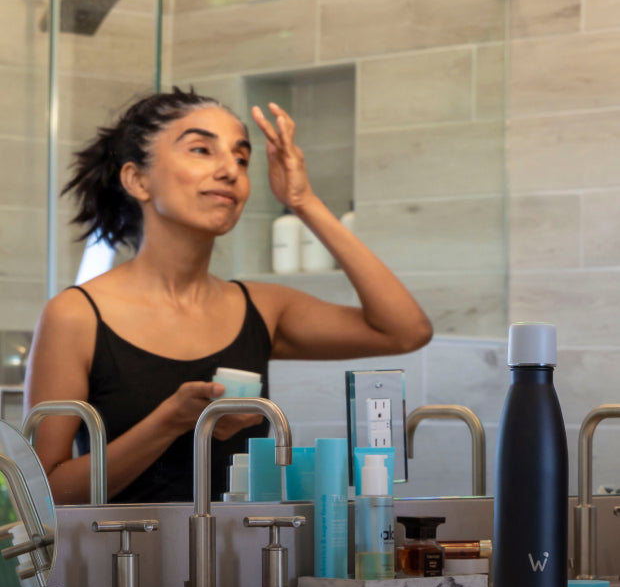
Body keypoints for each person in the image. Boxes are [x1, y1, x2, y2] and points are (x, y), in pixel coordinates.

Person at [24, 88, 432, 504]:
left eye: (241, 158)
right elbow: (42, 496)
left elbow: (405, 331)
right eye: (202, 149)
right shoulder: (75, 316)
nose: (230, 170)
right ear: (137, 179)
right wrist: (169, 422)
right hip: (119, 564)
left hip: (244, 562)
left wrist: (302, 201)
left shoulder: (263, 308)